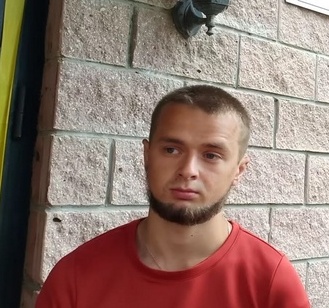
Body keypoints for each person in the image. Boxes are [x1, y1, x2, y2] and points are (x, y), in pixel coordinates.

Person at [37, 85, 310, 308]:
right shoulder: (76, 276)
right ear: (147, 156)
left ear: (238, 171)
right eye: (171, 150)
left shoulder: (271, 282)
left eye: (211, 155)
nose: (188, 170)